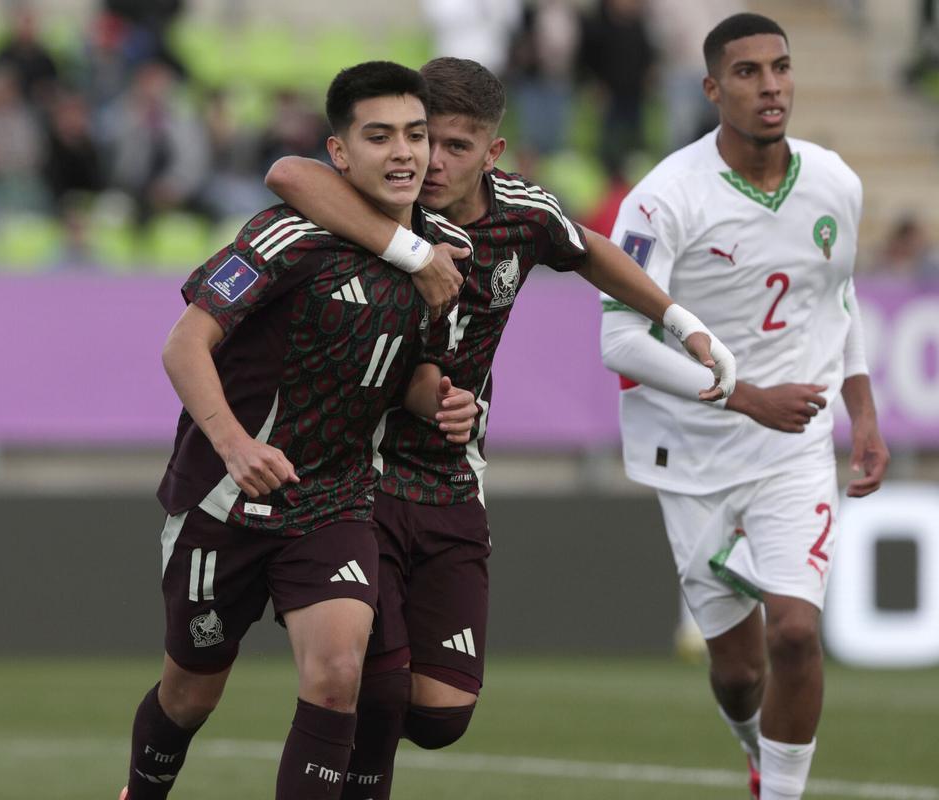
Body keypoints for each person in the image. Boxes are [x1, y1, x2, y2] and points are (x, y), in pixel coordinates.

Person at [265, 56, 734, 799]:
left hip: (453, 477)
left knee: (441, 715)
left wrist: (680, 321)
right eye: (426, 141)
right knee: (374, 693)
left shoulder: (525, 214)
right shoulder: (380, 208)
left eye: (456, 146)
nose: (432, 163)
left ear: (494, 152)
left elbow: (591, 253)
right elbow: (290, 174)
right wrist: (409, 252)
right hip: (358, 473)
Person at [122, 61, 483, 800]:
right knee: (191, 695)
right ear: (341, 154)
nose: (405, 153)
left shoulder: (447, 254)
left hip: (337, 499)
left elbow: (409, 370)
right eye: (379, 136)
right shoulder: (291, 235)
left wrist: (440, 399)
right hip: (227, 499)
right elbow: (183, 345)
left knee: (338, 673)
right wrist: (235, 444)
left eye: (416, 134)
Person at [599, 14, 889, 800]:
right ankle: (753, 749)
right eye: (749, 72)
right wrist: (742, 395)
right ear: (712, 88)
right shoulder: (663, 200)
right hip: (694, 455)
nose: (770, 86)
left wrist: (861, 413)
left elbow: (838, 299)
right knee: (738, 672)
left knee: (796, 632)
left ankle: (780, 793)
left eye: (781, 68)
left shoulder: (835, 181)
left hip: (793, 447)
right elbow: (619, 342)